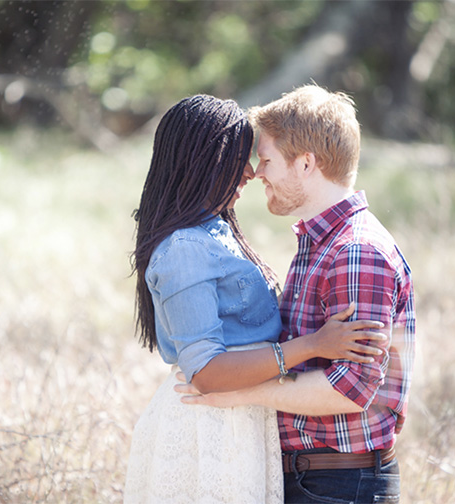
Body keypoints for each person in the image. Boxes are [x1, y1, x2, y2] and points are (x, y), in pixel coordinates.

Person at [123, 94, 387, 504]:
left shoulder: (220, 230)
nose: (249, 173)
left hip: (242, 424)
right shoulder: (186, 248)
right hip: (210, 428)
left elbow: (353, 385)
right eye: (238, 160)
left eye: (259, 159)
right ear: (204, 165)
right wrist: (312, 346)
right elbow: (207, 374)